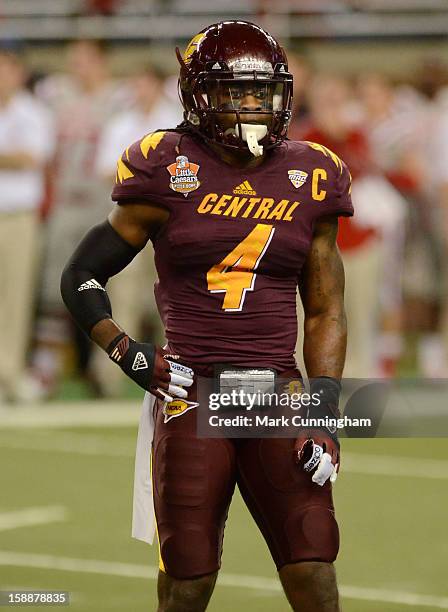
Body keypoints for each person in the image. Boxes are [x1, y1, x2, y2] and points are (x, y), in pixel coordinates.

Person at [61, 21, 353, 612]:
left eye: (262, 91)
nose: (252, 106)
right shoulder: (164, 167)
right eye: (234, 92)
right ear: (198, 94)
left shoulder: (313, 173)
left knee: (314, 558)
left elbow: (326, 308)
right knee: (189, 572)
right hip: (194, 392)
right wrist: (129, 352)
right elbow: (82, 278)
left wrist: (322, 408)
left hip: (279, 393)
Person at [0, 49, 54, 402]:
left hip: (18, 217)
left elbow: (33, 158)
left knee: (15, 298)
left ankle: (8, 376)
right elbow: (17, 157)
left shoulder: (33, 113)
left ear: (18, 73)